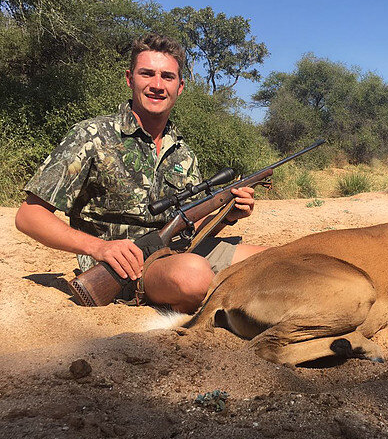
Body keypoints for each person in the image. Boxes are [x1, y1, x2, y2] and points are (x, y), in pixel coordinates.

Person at [15, 33, 266, 313]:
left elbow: (191, 229)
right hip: (120, 267)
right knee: (193, 275)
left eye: (167, 77)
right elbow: (29, 216)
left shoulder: (183, 153)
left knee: (275, 263)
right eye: (147, 74)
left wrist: (226, 216)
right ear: (130, 78)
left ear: (180, 86)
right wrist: (99, 248)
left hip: (178, 253)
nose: (157, 85)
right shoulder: (91, 135)